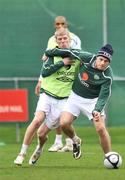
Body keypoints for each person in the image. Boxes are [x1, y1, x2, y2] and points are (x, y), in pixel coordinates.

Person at [14, 27, 80, 166]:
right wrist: (62, 62)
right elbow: (45, 72)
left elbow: (90, 62)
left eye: (65, 38)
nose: (63, 41)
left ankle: (72, 141)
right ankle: (22, 154)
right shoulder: (51, 55)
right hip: (47, 95)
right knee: (37, 120)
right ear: (56, 41)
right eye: (60, 39)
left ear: (70, 40)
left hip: (64, 99)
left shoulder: (78, 56)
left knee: (43, 133)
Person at [45, 44, 113, 160]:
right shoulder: (86, 57)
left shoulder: (107, 76)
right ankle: (75, 140)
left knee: (101, 128)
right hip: (75, 97)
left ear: (108, 63)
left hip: (92, 102)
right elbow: (68, 51)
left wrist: (97, 110)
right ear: (97, 57)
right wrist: (48, 53)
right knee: (64, 123)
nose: (102, 63)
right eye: (101, 59)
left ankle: (109, 157)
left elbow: (103, 97)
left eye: (106, 61)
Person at [35, 16, 81, 153]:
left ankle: (68, 141)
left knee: (63, 115)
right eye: (57, 24)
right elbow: (47, 60)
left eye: (62, 23)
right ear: (55, 25)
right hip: (54, 79)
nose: (60, 25)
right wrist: (40, 80)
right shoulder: (51, 39)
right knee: (53, 114)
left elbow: (74, 55)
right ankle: (59, 141)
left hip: (69, 77)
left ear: (67, 24)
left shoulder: (75, 38)